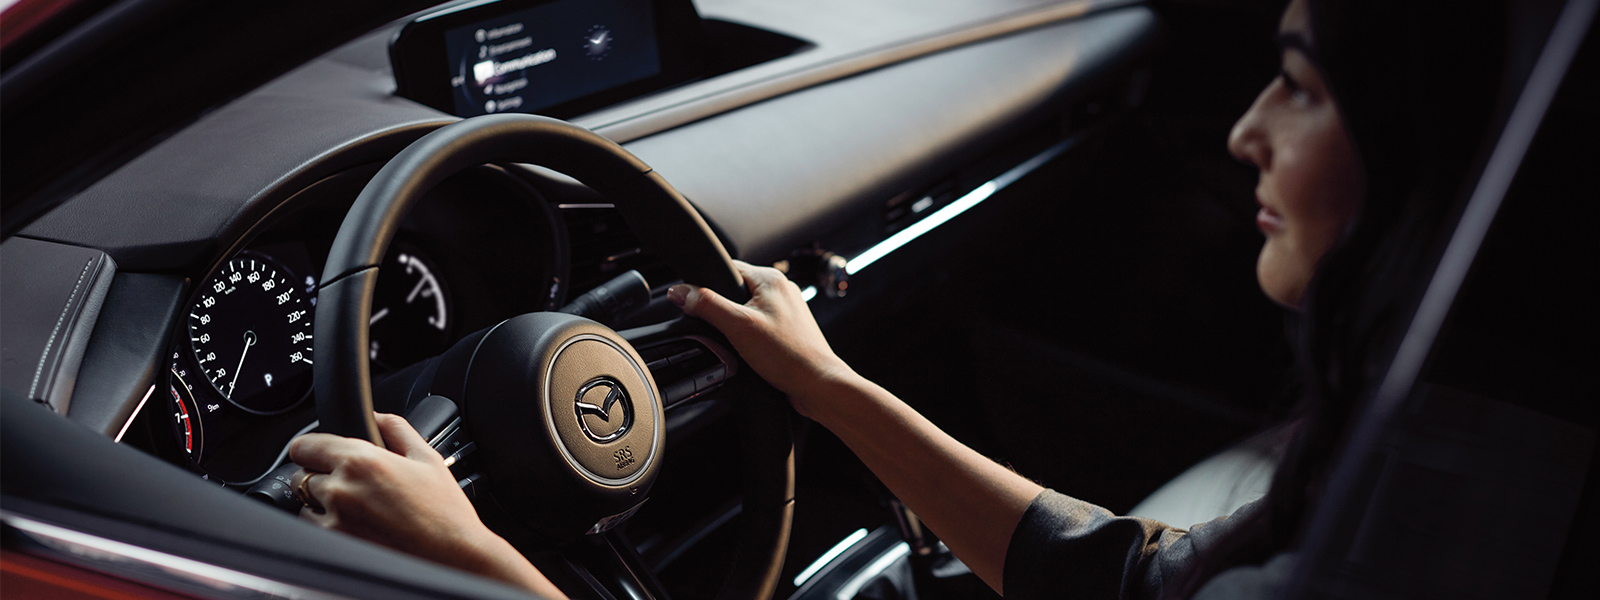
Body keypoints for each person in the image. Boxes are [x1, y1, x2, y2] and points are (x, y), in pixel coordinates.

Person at [287, 0, 1508, 597]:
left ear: (1426, 157)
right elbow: (1124, 582)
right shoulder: (1431, 465)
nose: (1244, 130)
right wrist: (828, 389)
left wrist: (463, 560)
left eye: (1297, 88)